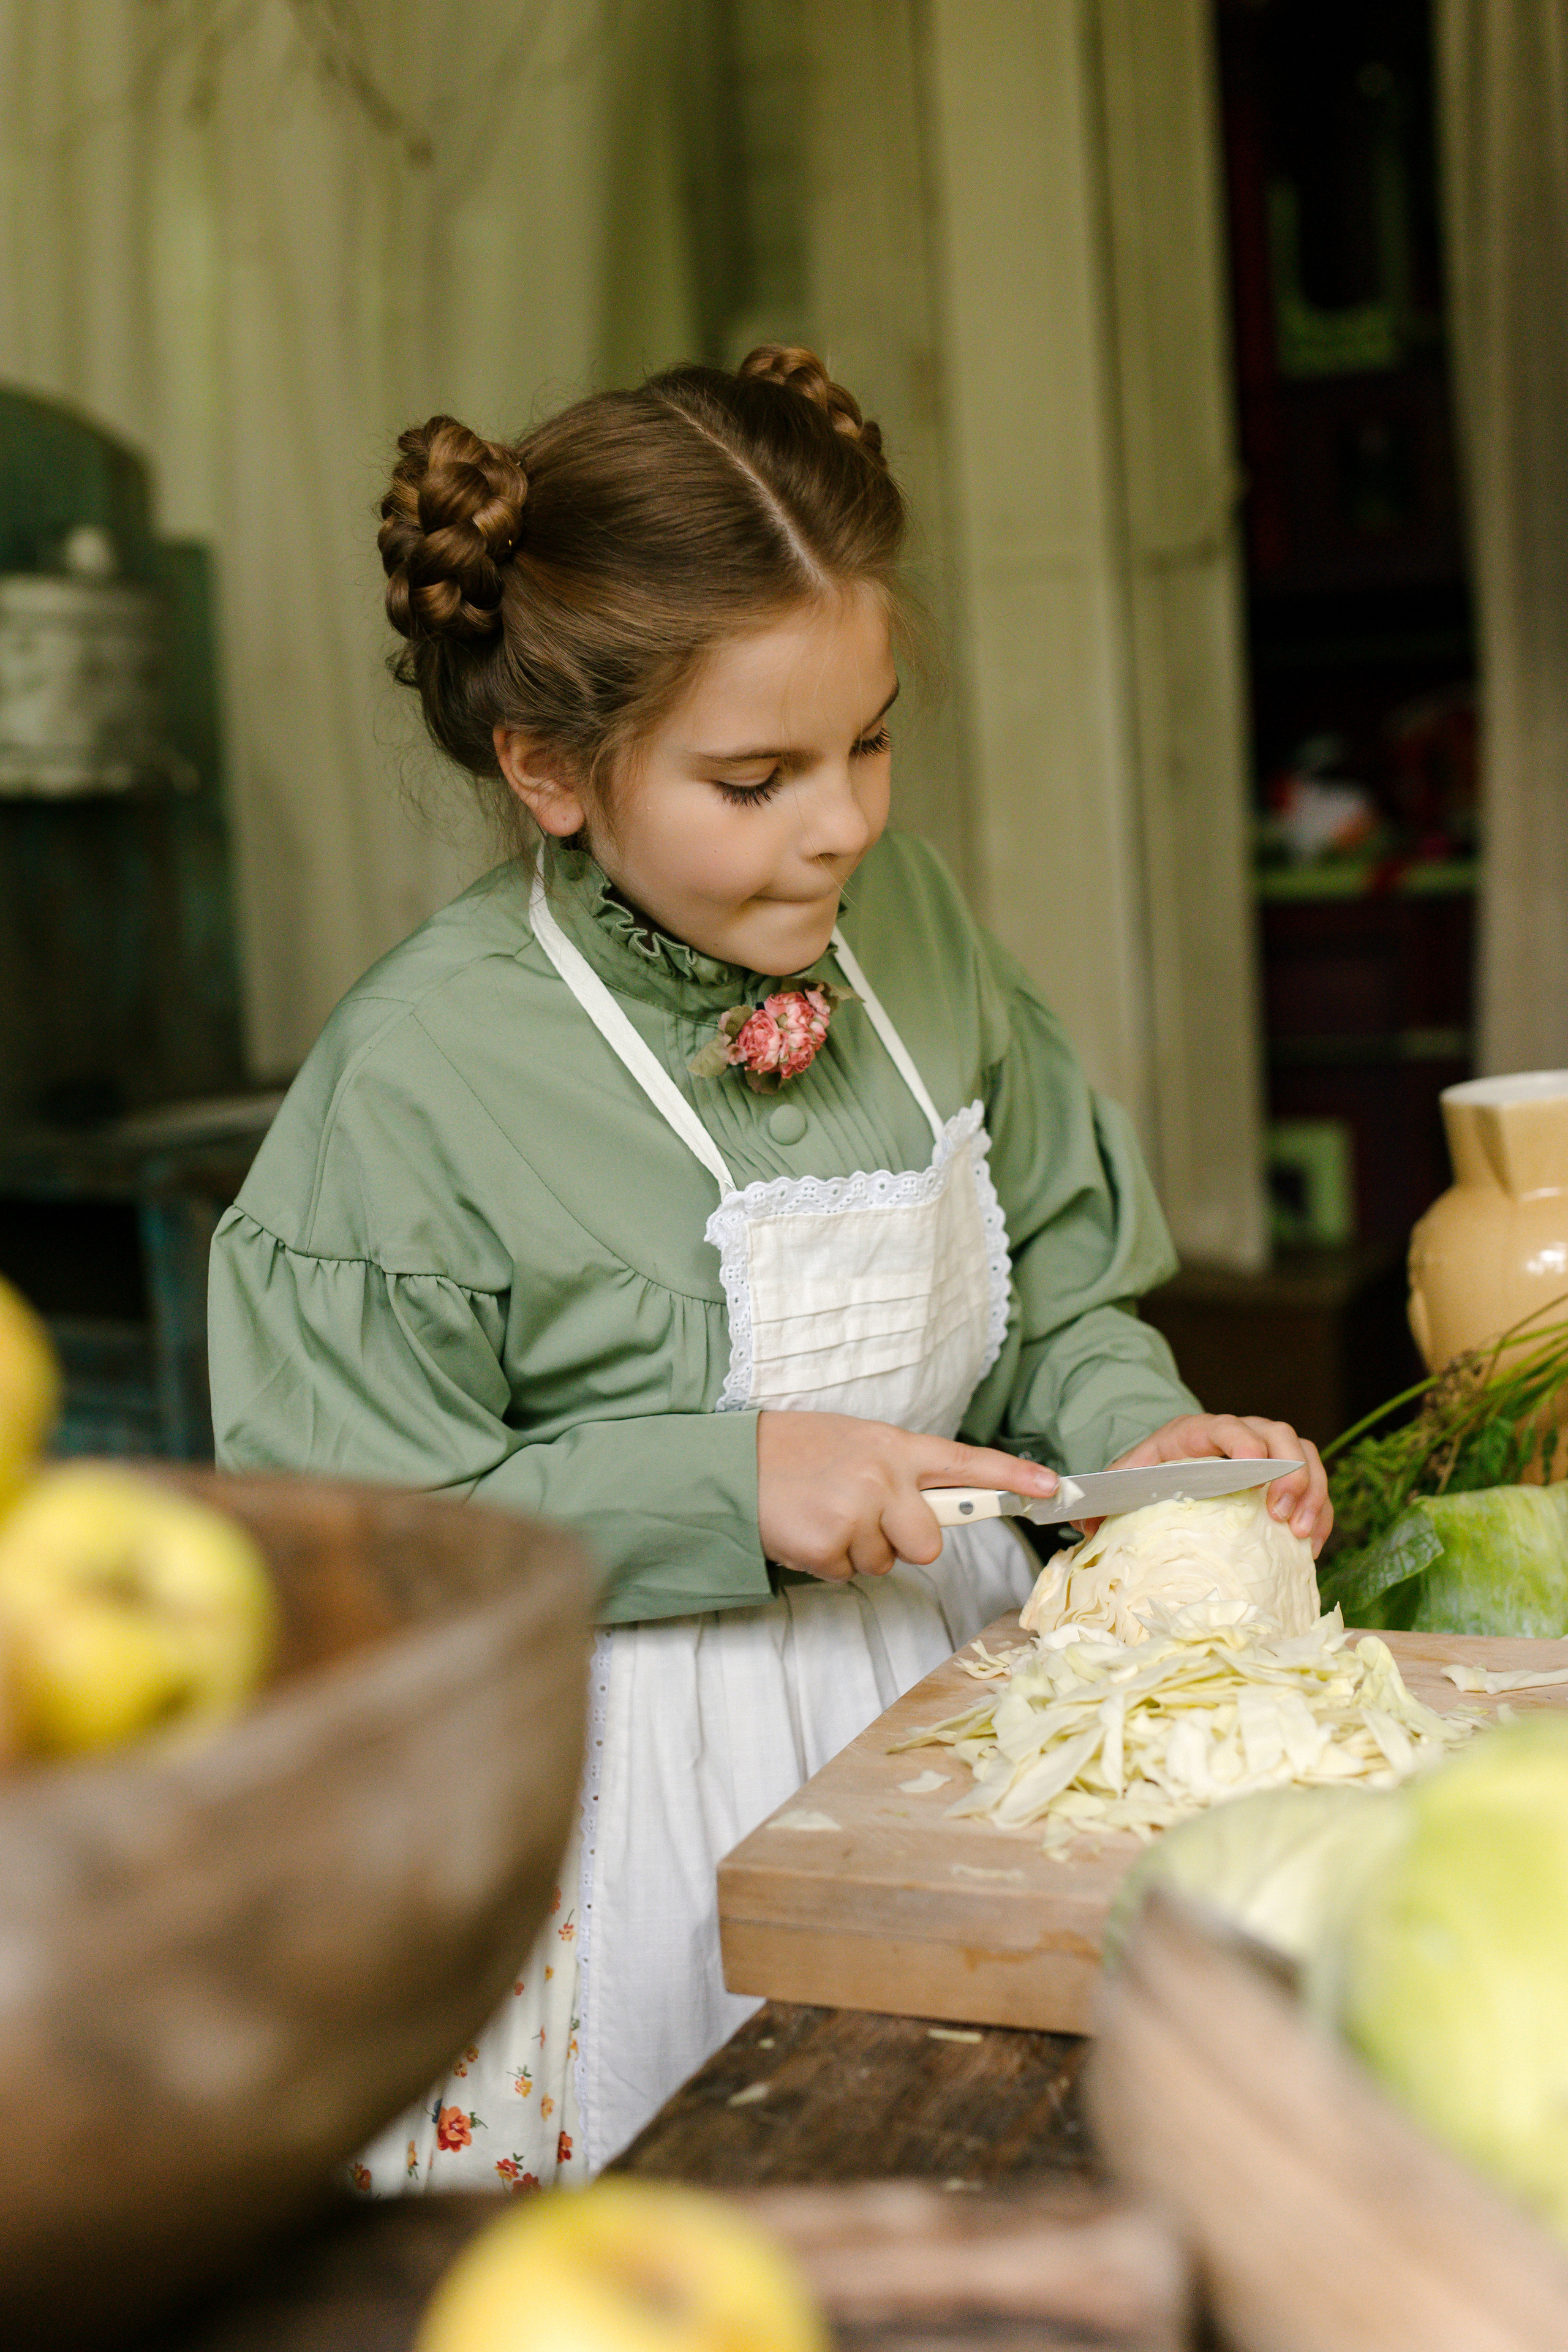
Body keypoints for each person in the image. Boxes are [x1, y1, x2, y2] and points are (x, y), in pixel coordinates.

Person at [208, 345, 1331, 2194]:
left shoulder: (918, 935)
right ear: (547, 767)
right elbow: (360, 1547)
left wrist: (1148, 1443)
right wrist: (727, 1485)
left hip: (975, 1723)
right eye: (756, 777)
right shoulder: (422, 1083)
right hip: (639, 1813)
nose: (845, 823)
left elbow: (1051, 1295)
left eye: (871, 739)